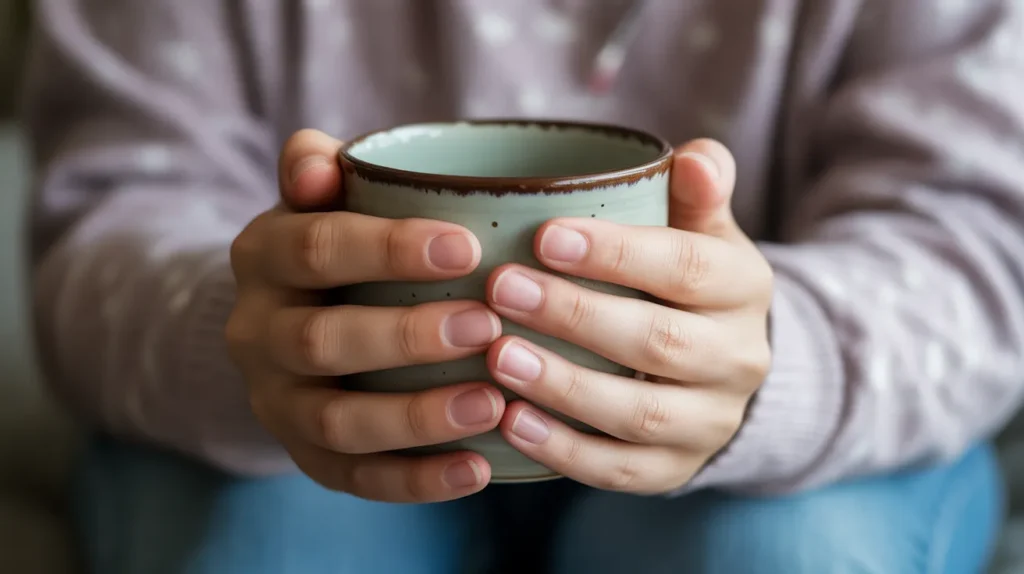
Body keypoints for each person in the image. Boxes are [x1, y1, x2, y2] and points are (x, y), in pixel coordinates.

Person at [23, 0, 1024, 572]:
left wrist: (769, 363)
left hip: (799, 449)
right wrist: (250, 333)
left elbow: (980, 245)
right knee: (261, 542)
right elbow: (104, 214)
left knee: (784, 550)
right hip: (288, 440)